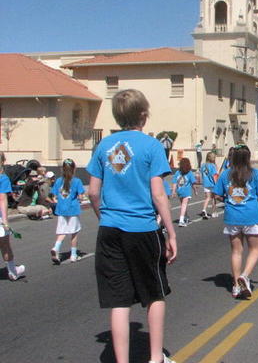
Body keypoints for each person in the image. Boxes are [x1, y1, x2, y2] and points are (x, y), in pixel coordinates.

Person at [87, 89, 177, 363]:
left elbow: (92, 191)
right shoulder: (151, 147)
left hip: (110, 229)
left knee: (118, 300)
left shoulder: (104, 146)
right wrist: (171, 233)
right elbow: (158, 194)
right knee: (154, 293)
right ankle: (155, 358)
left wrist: (104, 217)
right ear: (143, 115)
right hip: (142, 228)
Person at [213, 145, 258, 299]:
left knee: (236, 251)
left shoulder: (226, 175)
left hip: (232, 217)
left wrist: (227, 199)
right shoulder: (255, 174)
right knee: (255, 249)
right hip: (251, 216)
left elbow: (217, 194)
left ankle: (236, 286)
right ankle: (245, 276)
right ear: (248, 158)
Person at [50, 158, 85, 264]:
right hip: (73, 209)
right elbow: (80, 196)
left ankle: (56, 247)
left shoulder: (58, 181)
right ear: (74, 169)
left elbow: (54, 195)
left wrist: (57, 200)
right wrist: (81, 198)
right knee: (74, 232)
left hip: (61, 210)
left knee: (62, 231)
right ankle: (73, 255)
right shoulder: (77, 181)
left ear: (62, 169)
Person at [0, 152, 26, 281]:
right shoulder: (2, 178)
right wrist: (5, 220)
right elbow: (2, 199)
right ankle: (12, 271)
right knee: (5, 245)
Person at [172, 158, 197, 227]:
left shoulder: (177, 172)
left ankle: (186, 217)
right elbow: (193, 183)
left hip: (179, 191)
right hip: (186, 192)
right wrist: (195, 190)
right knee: (184, 205)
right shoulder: (190, 173)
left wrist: (173, 191)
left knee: (183, 205)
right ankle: (181, 220)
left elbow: (174, 182)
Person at [200, 152, 218, 219]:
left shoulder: (203, 165)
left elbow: (202, 174)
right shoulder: (213, 166)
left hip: (205, 183)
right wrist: (217, 184)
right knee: (213, 198)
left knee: (207, 198)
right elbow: (214, 176)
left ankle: (204, 210)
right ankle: (214, 212)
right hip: (212, 184)